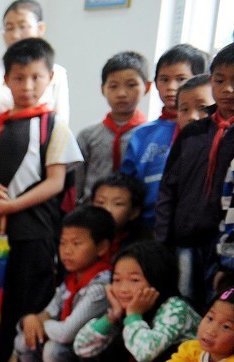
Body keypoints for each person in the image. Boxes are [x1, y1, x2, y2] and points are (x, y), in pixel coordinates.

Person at [0, 37, 81, 362]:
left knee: (29, 306)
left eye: (35, 77)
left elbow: (55, 182)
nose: (27, 86)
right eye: (19, 78)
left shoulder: (54, 126)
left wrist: (12, 206)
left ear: (49, 78)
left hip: (35, 233)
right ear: (6, 80)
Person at [6, 206, 115, 362]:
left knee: (54, 351)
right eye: (63, 243)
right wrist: (32, 320)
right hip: (73, 345)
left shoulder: (101, 284)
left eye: (76, 244)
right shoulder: (71, 279)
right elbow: (48, 312)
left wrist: (40, 322)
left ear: (102, 247)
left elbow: (67, 333)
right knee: (25, 339)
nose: (67, 251)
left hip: (99, 356)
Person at [156, 45, 234, 308]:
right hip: (186, 238)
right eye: (220, 80)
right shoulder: (193, 132)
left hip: (224, 244)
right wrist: (162, 240)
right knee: (182, 302)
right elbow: (168, 188)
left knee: (218, 307)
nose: (227, 90)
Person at [120, 44, 208, 229]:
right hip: (144, 226)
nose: (171, 87)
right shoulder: (142, 134)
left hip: (190, 228)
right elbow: (128, 185)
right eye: (164, 79)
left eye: (181, 79)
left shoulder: (205, 132)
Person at [0, 0, 69, 142]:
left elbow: (61, 130)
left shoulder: (56, 75)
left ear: (40, 29)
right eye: (9, 28)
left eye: (23, 26)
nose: (15, 35)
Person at [74, 52, 150, 204]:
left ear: (147, 87)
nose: (121, 93)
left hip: (135, 217)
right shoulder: (87, 135)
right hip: (92, 214)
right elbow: (77, 183)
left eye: (131, 85)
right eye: (113, 86)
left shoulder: (150, 136)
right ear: (103, 89)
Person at [90, 173, 147, 253]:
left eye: (118, 204)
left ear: (134, 212)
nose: (107, 209)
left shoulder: (139, 249)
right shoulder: (82, 239)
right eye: (100, 202)